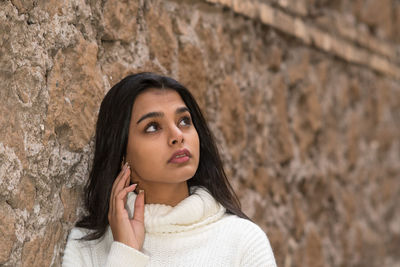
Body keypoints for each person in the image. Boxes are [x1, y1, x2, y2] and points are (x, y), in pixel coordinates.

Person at [62, 72, 277, 266]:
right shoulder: (87, 248)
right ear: (121, 152)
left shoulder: (243, 241)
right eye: (153, 127)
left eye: (184, 121)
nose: (177, 135)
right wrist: (125, 254)